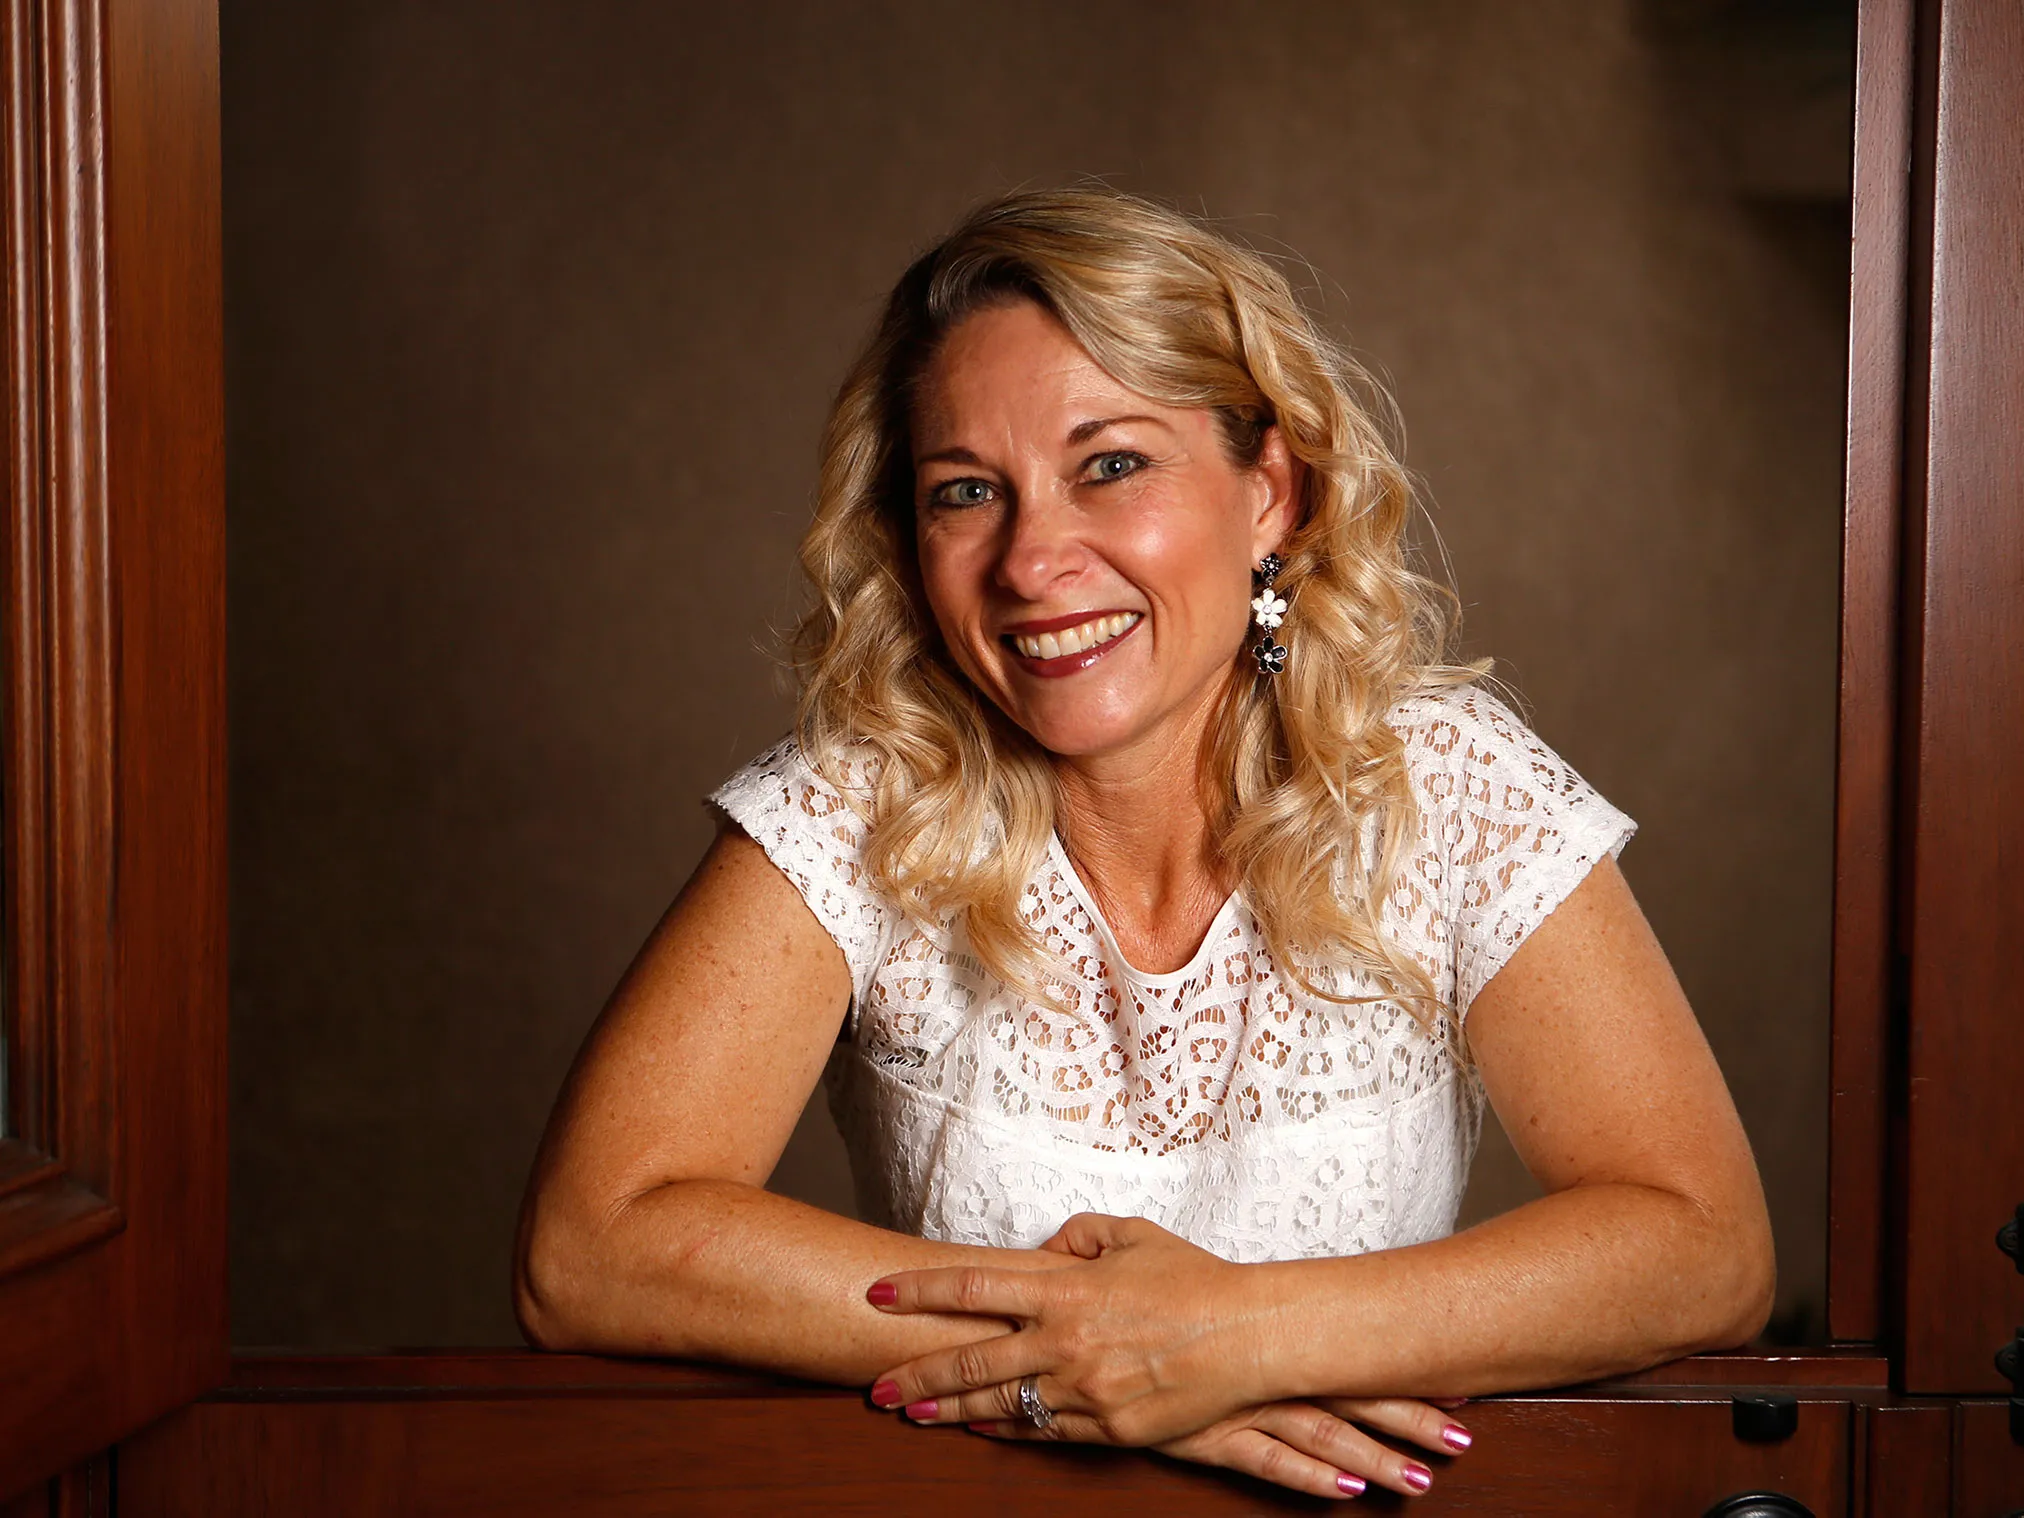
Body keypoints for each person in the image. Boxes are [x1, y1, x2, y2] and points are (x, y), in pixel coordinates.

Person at [514, 188, 1774, 1502]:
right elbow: (590, 1247)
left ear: (1271, 491)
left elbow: (1702, 1247)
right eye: (966, 492)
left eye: (1110, 464)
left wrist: (1220, 1342)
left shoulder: (1439, 775)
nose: (1032, 558)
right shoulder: (862, 797)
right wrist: (1086, 1362)